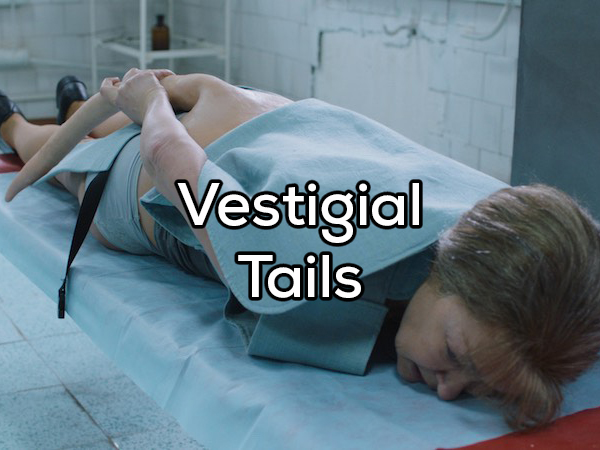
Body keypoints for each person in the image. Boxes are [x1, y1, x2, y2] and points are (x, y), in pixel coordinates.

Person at [1, 69, 599, 430]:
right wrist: (148, 105)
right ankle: (16, 124)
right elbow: (166, 157)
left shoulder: (496, 223)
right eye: (454, 353)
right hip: (163, 169)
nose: (449, 389)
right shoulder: (312, 259)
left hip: (269, 119)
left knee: (105, 122)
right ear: (449, 266)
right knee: (57, 160)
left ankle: (80, 106)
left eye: (481, 387)